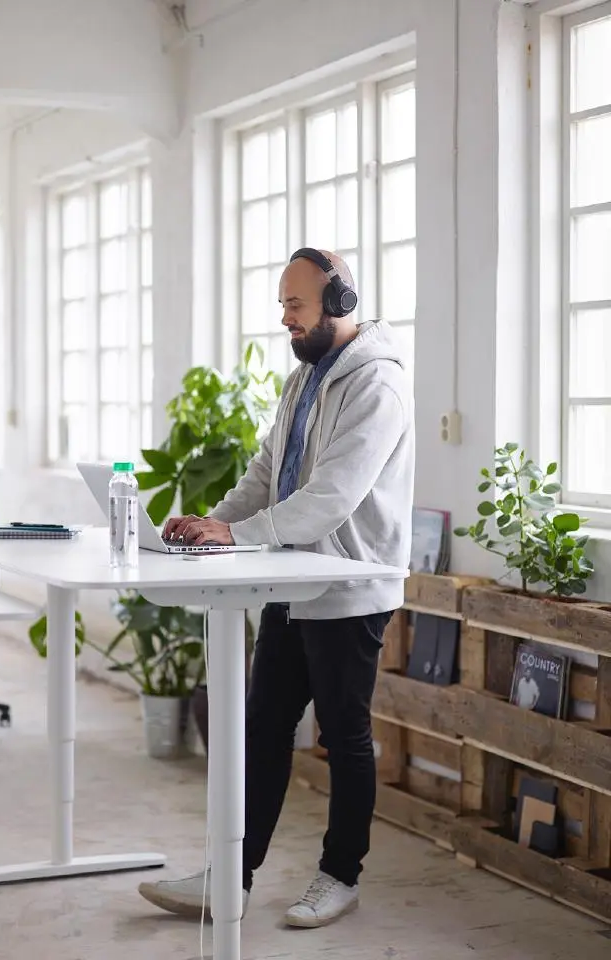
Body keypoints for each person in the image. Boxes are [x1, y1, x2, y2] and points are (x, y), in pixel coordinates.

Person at [138, 247, 415, 928]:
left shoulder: (376, 385)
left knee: (344, 735)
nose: (285, 319)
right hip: (291, 577)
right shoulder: (306, 378)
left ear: (340, 304)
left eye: (296, 305)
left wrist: (238, 536)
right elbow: (268, 472)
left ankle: (339, 876)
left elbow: (331, 498)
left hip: (347, 584)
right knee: (263, 727)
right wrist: (215, 522)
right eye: (283, 305)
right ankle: (229, 876)